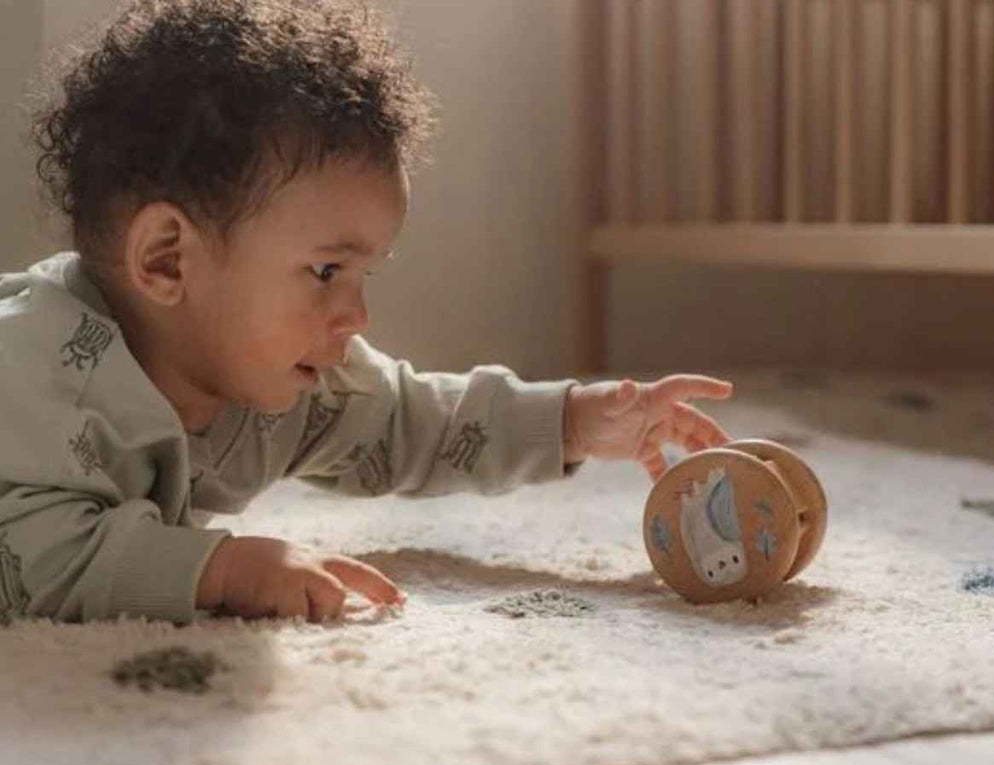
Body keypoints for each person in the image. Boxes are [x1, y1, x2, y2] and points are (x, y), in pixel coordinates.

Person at [0, 0, 732, 626]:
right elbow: (32, 555)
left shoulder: (290, 387)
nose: (355, 315)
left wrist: (572, 420)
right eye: (325, 271)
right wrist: (224, 569)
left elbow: (413, 421)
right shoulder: (35, 372)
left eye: (362, 274)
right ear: (166, 261)